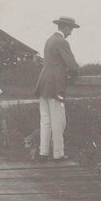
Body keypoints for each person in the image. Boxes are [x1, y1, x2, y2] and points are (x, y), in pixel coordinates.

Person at [35, 16, 80, 163]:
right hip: (56, 87)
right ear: (66, 28)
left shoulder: (49, 40)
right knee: (58, 120)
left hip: (43, 85)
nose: (71, 33)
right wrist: (73, 75)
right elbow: (72, 66)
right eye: (71, 29)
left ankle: (43, 153)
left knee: (45, 120)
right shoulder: (62, 42)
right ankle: (58, 154)